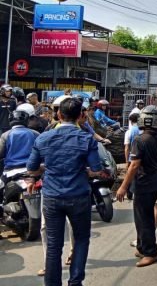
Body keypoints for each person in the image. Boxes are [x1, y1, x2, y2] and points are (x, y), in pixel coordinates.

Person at [27, 97, 104, 286]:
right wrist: (84, 170)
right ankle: (75, 282)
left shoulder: (43, 137)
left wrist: (46, 169)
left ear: (59, 115)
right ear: (80, 116)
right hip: (78, 196)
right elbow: (96, 168)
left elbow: (32, 168)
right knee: (81, 240)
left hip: (52, 196)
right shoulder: (87, 139)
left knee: (54, 245)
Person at [116, 105, 157, 267]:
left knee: (143, 219)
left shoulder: (140, 140)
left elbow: (133, 165)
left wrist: (123, 186)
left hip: (144, 184)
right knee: (143, 218)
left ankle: (150, 252)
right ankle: (142, 247)